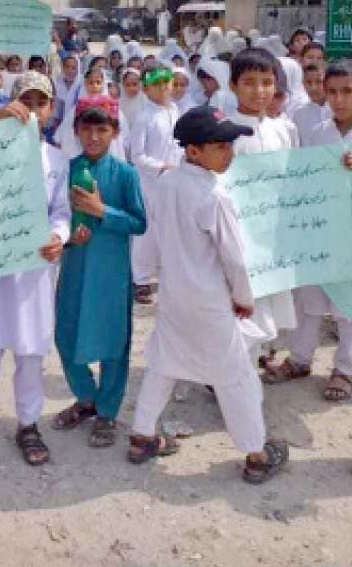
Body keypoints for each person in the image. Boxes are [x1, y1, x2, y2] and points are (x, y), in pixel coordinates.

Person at [126, 107, 289, 483]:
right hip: (210, 301)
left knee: (164, 363)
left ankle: (142, 436)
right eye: (220, 145)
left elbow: (151, 236)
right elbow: (234, 258)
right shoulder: (215, 197)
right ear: (194, 151)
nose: (229, 152)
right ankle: (257, 454)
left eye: (230, 143)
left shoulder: (167, 184)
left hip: (175, 297)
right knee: (237, 377)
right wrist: (244, 298)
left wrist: (144, 274)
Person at [0, 72, 71, 478]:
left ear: (51, 109)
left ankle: (28, 426)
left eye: (41, 102)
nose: (33, 110)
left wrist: (58, 236)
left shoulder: (56, 160)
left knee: (31, 355)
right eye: (26, 100)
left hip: (35, 273)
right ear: (12, 103)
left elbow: (61, 211)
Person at [264, 61, 352, 399]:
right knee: (309, 299)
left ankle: (346, 369)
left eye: (347, 92)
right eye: (332, 92)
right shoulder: (315, 134)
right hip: (319, 230)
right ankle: (300, 358)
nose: (338, 100)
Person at [53, 95, 147, 448]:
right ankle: (86, 398)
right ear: (75, 131)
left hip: (112, 272)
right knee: (65, 334)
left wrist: (101, 209)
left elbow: (139, 223)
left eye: (101, 130)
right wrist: (65, 238)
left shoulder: (125, 174)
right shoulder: (66, 168)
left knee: (113, 342)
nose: (93, 137)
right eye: (86, 130)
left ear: (114, 132)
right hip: (75, 266)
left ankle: (107, 411)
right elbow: (54, 216)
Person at [228, 48, 298, 368]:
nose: (259, 91)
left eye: (267, 83)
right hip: (236, 236)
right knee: (239, 307)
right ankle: (235, 377)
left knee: (264, 307)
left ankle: (248, 370)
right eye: (250, 83)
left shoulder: (284, 129)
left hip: (271, 237)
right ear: (233, 86)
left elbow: (296, 176)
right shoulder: (223, 131)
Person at [129, 63, 181, 305]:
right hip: (151, 182)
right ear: (146, 89)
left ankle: (168, 275)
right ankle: (140, 279)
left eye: (166, 83)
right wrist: (160, 167)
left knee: (171, 228)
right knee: (147, 231)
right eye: (156, 85)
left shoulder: (176, 111)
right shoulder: (144, 117)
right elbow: (137, 155)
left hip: (175, 179)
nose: (163, 89)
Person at [291, 62, 330, 142]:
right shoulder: (299, 114)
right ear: (303, 83)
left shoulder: (340, 110)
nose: (313, 88)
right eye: (308, 82)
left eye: (319, 82)